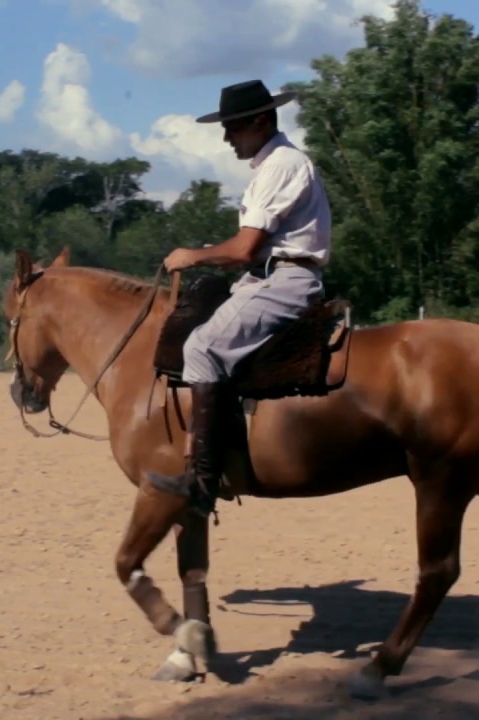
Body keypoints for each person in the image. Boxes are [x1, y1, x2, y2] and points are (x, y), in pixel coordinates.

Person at [148, 79, 333, 517]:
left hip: (285, 281)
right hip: (264, 278)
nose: (226, 136)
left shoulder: (282, 165)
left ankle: (203, 480)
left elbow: (244, 248)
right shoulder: (269, 166)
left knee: (201, 347)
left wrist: (192, 256)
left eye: (232, 127)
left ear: (260, 121)